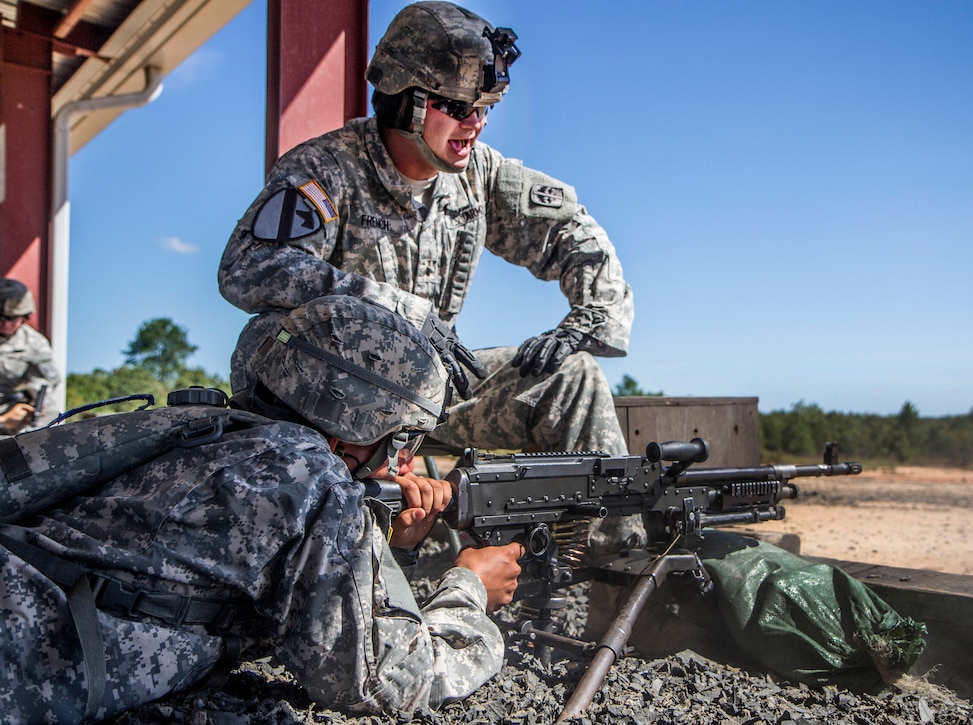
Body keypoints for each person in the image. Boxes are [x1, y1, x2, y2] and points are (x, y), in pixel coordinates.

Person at [0, 296, 524, 723]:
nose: (405, 460)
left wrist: (392, 553)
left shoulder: (207, 429)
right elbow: (379, 679)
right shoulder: (308, 473)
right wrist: (469, 588)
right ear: (359, 421)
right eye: (403, 438)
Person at [219, 0, 634, 458]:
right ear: (405, 100)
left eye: (484, 107)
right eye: (457, 106)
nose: (475, 123)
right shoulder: (327, 168)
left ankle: (616, 532)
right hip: (333, 402)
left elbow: (575, 238)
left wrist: (584, 324)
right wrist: (399, 309)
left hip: (431, 393)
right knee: (269, 334)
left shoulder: (481, 175)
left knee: (571, 378)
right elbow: (249, 267)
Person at [0, 278, 61, 434]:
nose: (6, 325)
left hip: (12, 406)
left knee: (50, 411)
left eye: (13, 318)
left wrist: (32, 406)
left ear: (24, 316)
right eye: (1, 317)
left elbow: (45, 381)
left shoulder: (34, 344)